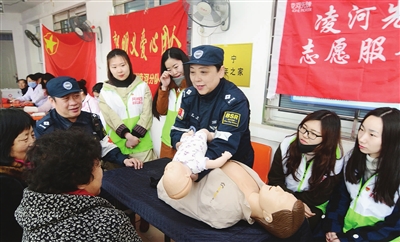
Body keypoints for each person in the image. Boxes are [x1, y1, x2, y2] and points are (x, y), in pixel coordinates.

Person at [15, 129, 142, 241]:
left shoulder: (29, 211)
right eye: (98, 165)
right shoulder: (109, 223)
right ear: (80, 179)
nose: (101, 171)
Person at [158, 160, 308, 239]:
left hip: (174, 175)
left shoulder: (224, 212)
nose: (279, 189)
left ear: (268, 216)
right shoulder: (258, 184)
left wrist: (173, 178)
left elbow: (180, 199)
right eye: (285, 192)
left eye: (281, 196)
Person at [170, 45, 254, 182]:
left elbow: (223, 145)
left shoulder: (235, 101)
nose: (196, 79)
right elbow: (177, 129)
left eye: (203, 72)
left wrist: (195, 167)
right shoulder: (189, 95)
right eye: (192, 72)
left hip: (231, 168)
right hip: (196, 166)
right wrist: (180, 145)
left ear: (220, 71)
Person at [323, 107, 400, 242]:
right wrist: (333, 228)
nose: (362, 139)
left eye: (372, 134)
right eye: (362, 129)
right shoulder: (352, 158)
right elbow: (340, 197)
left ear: (392, 139)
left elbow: (395, 227)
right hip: (345, 233)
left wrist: (351, 239)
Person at [35, 76, 142, 169]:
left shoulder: (92, 120)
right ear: (52, 101)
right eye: (66, 98)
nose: (73, 103)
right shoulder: (44, 129)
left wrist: (124, 160)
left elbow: (104, 146)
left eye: (76, 96)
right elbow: (45, 165)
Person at [268, 110, 344, 230]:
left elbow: (322, 194)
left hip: (313, 203)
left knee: (301, 226)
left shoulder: (336, 159)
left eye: (313, 133)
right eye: (303, 128)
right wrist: (293, 202)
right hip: (283, 194)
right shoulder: (287, 144)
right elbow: (274, 179)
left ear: (327, 138)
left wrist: (300, 205)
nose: (304, 135)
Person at [99, 48, 156, 162]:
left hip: (142, 145)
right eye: (114, 67)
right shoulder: (105, 92)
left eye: (122, 65)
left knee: (147, 177)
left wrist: (135, 137)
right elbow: (111, 118)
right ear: (109, 69)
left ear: (129, 64)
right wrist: (128, 137)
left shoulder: (142, 86)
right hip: (118, 147)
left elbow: (147, 113)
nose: (119, 70)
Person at [163, 127, 232, 199]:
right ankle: (190, 133)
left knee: (206, 132)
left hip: (200, 136)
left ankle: (211, 136)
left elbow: (216, 163)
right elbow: (179, 148)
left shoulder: (196, 164)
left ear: (188, 176)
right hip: (186, 140)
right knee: (183, 140)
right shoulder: (175, 161)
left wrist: (225, 157)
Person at [0, 109, 35, 242]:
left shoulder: (26, 167)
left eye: (33, 135)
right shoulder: (6, 183)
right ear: (5, 143)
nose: (32, 143)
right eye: (25, 138)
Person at [152, 47, 192, 159]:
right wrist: (164, 87)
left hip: (185, 142)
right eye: (169, 69)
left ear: (184, 62)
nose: (174, 72)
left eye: (176, 66)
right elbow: (161, 111)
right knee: (164, 174)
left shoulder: (194, 86)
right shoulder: (169, 87)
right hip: (167, 140)